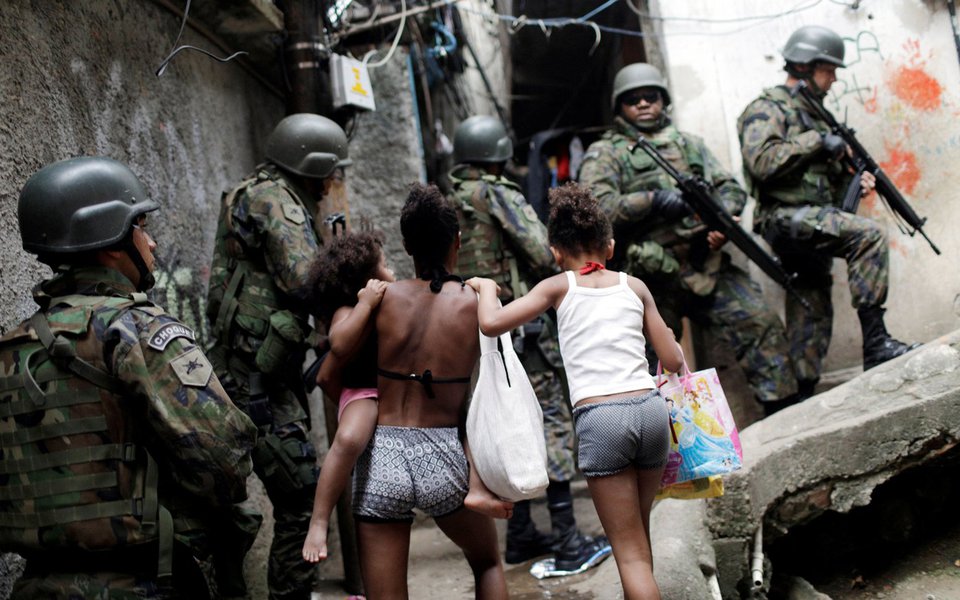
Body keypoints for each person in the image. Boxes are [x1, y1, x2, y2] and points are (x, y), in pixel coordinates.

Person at [0, 156, 258, 599]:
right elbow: (225, 462)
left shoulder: (11, 347)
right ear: (110, 239)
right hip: (141, 583)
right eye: (140, 225)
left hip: (34, 587)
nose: (152, 243)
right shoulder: (138, 330)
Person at [467, 182, 685, 599]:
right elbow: (672, 361)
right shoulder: (635, 286)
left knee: (630, 555)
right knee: (640, 544)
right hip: (651, 412)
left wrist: (487, 289)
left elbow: (492, 324)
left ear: (555, 252)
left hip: (603, 421)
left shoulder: (557, 287)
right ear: (610, 246)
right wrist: (670, 339)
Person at [579, 62, 801, 416]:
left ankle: (785, 413)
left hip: (705, 265)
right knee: (644, 363)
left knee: (759, 322)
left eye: (650, 96)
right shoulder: (607, 153)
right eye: (632, 99)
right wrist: (652, 201)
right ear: (619, 105)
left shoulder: (690, 145)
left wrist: (720, 222)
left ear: (662, 100)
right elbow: (596, 209)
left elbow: (729, 188)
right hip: (650, 278)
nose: (642, 104)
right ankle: (655, 443)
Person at [450, 115, 609, 570]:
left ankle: (519, 535)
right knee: (550, 423)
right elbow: (541, 252)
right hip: (522, 332)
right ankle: (567, 542)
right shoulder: (498, 194)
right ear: (498, 154)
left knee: (499, 423)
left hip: (476, 332)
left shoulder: (450, 200)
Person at [205, 113, 352, 599]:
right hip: (256, 385)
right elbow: (305, 279)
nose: (330, 184)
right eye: (328, 174)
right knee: (305, 502)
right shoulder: (275, 200)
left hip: (257, 377)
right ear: (308, 166)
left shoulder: (257, 191)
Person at [737, 25, 918, 392]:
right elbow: (762, 162)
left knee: (812, 300)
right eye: (828, 70)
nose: (834, 80)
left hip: (810, 219)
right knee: (868, 236)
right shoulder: (766, 108)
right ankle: (877, 343)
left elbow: (826, 192)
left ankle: (802, 391)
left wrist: (853, 183)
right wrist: (818, 140)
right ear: (805, 65)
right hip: (781, 218)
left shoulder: (817, 115)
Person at [352, 183, 508, 599]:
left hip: (381, 452)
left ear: (405, 244)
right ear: (457, 241)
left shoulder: (382, 298)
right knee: (488, 562)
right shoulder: (474, 302)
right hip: (443, 452)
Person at [301, 231, 394, 563]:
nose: (391, 267)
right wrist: (366, 304)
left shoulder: (393, 300)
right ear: (365, 280)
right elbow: (338, 344)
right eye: (383, 264)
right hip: (362, 393)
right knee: (350, 439)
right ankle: (319, 521)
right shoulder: (348, 308)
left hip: (393, 394)